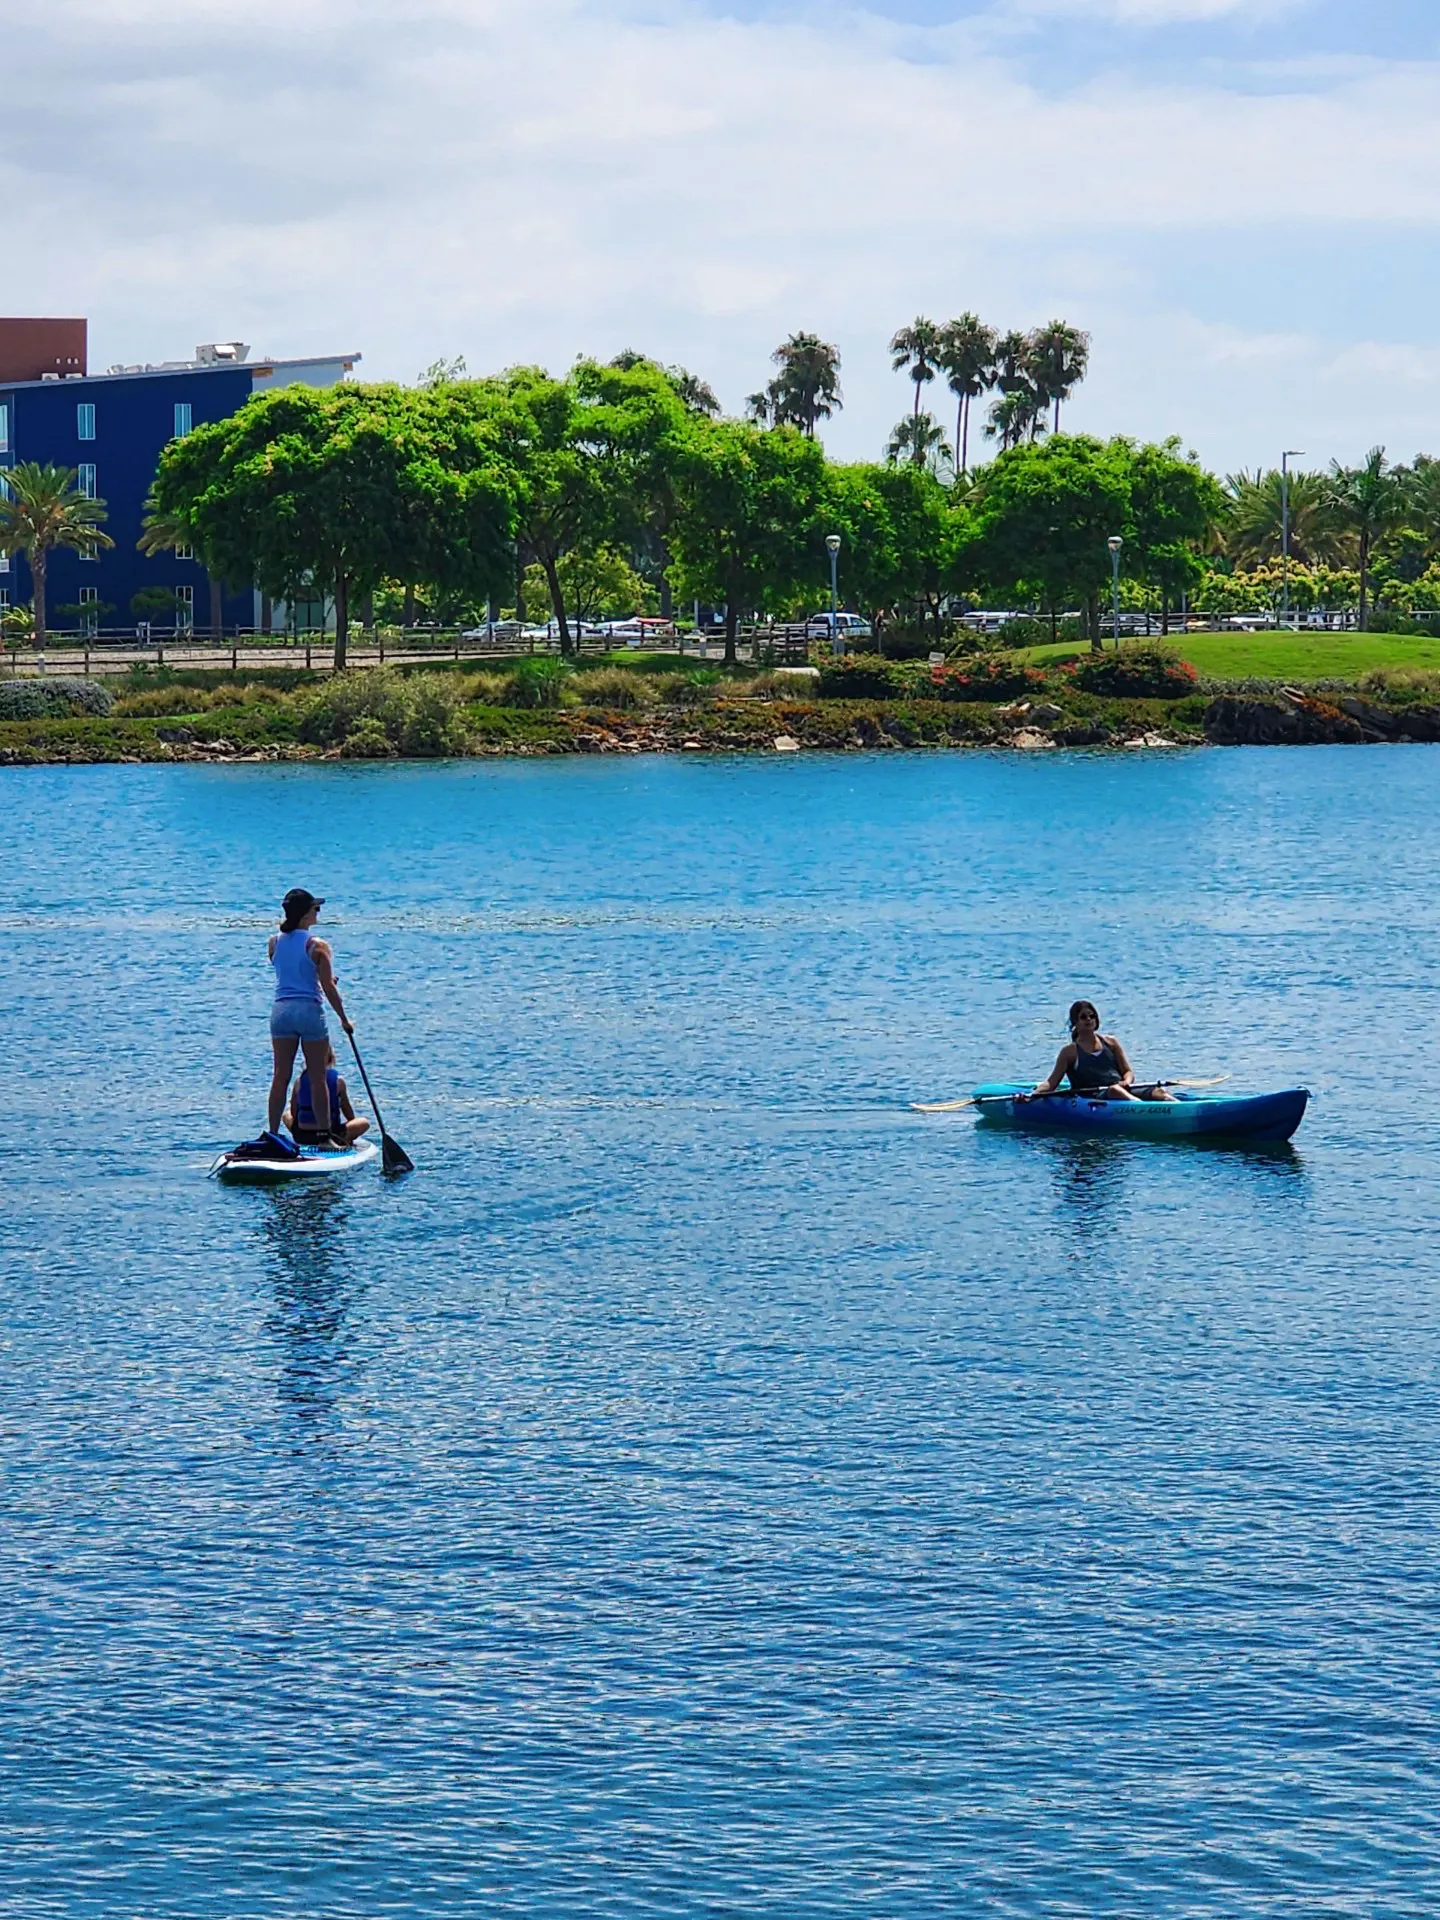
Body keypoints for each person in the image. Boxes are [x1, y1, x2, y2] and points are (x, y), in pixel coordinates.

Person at [265, 888, 353, 1146]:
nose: (319, 912)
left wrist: (318, 978)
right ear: (305, 915)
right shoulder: (318, 945)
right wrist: (344, 1020)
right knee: (317, 1076)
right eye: (315, 908)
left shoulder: (274, 942)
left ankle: (272, 1133)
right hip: (308, 1011)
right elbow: (327, 986)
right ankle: (324, 1138)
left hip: (281, 1012)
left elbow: (291, 972)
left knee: (280, 1075)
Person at [1026, 1000, 1176, 1103]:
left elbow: (1128, 1072)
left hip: (1122, 1089)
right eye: (1083, 1017)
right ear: (1075, 1023)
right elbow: (1051, 1083)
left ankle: (1177, 1106)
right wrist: (1032, 1096)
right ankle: (1145, 1110)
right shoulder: (1069, 1052)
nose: (1089, 1019)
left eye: (1092, 1016)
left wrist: (1126, 1082)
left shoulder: (1111, 1042)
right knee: (1114, 1091)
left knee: (1157, 1091)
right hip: (1094, 1096)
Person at [286, 1045, 370, 1149]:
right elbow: (347, 1110)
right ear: (330, 1059)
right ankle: (343, 1138)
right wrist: (351, 1127)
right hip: (330, 1135)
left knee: (286, 1115)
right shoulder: (338, 1081)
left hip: (302, 1136)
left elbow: (294, 1112)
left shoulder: (299, 1081)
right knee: (363, 1122)